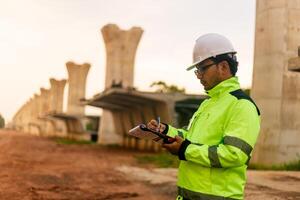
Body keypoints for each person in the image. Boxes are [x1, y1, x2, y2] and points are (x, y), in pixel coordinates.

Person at [147, 33, 260, 200]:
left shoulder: (242, 105)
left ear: (223, 67)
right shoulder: (208, 103)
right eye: (197, 70)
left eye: (202, 68)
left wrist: (184, 149)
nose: (199, 75)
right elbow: (190, 137)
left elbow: (234, 154)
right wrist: (166, 131)